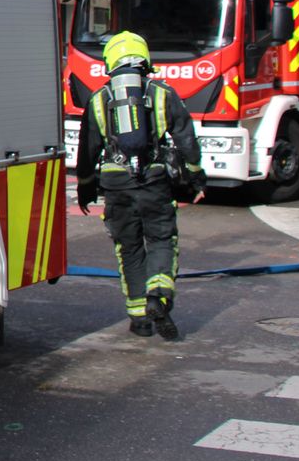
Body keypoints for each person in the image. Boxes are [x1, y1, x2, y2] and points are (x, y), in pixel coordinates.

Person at [76, 32, 204, 341]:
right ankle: (157, 297)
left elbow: (87, 150)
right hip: (154, 180)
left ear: (111, 61)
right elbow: (187, 140)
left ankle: (139, 319)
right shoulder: (162, 93)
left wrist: (85, 188)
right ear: (144, 59)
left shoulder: (99, 99)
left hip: (115, 182)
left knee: (128, 248)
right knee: (161, 239)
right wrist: (196, 178)